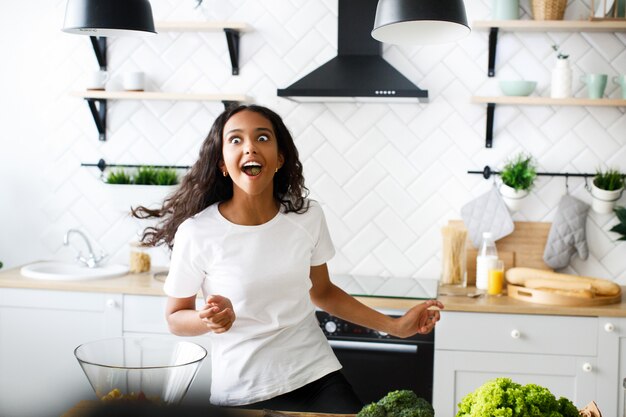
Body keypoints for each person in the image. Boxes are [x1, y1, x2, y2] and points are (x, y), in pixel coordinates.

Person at [132, 104, 444, 413]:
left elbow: (322, 291)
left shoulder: (307, 216)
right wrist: (206, 319)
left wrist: (396, 326)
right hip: (242, 391)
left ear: (280, 159)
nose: (250, 147)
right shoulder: (198, 232)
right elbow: (175, 317)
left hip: (316, 376)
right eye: (236, 140)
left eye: (263, 138)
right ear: (222, 163)